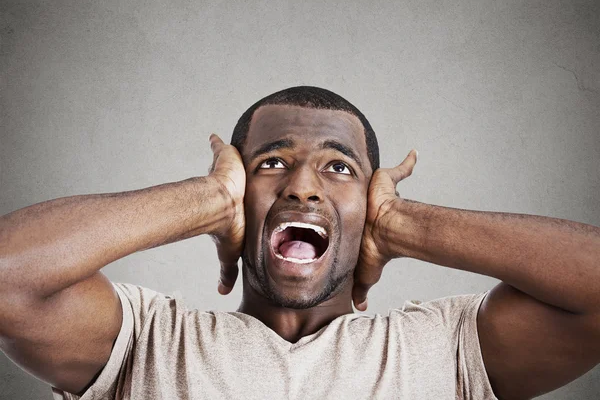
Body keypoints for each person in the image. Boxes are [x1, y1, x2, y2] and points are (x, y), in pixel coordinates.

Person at [0, 86, 598, 400]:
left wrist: (399, 224)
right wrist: (205, 202)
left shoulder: (450, 349)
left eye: (339, 168)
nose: (303, 187)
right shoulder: (147, 341)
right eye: (272, 162)